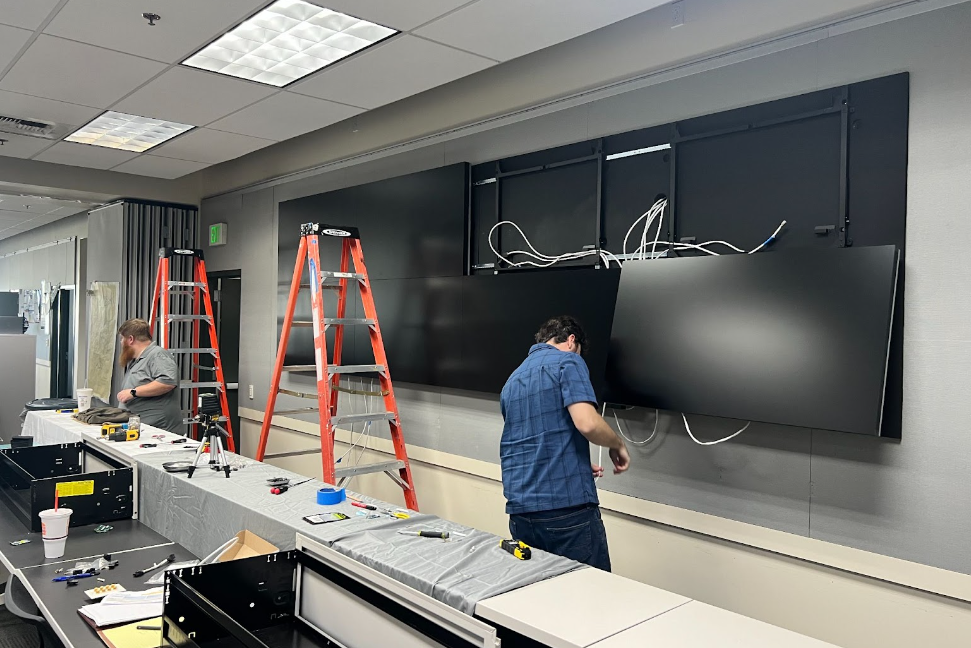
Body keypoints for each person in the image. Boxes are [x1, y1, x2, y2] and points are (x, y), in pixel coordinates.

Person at [499, 315, 630, 571]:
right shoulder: (568, 361)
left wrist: (574, 462)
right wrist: (617, 444)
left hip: (521, 514)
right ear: (571, 340)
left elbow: (528, 441)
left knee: (539, 594)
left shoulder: (512, 381)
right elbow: (588, 424)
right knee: (588, 596)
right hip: (566, 513)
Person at [115, 318, 183, 434]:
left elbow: (167, 382)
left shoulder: (157, 355)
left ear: (131, 339)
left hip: (159, 431)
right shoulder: (138, 359)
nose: (121, 343)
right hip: (143, 428)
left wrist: (133, 392)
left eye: (122, 339)